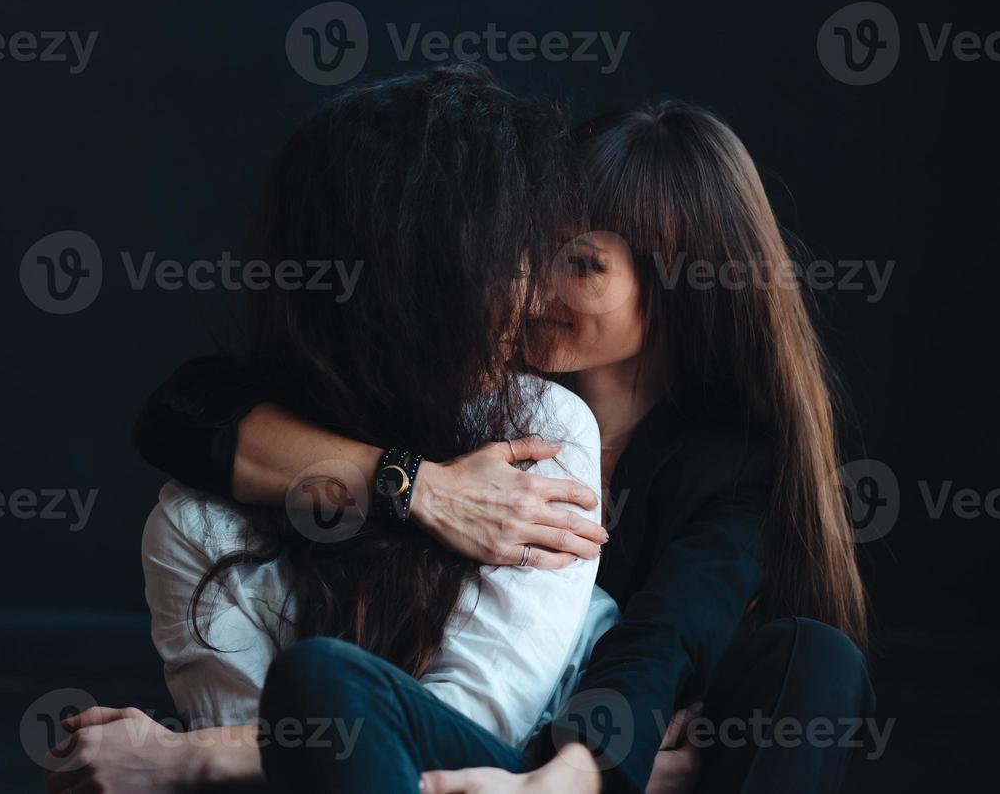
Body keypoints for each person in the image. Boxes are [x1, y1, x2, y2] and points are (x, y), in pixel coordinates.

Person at [116, 102, 876, 793]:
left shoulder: (727, 461)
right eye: (524, 247)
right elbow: (184, 417)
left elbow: (666, 638)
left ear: (683, 289)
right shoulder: (471, 383)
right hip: (440, 754)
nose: (533, 284)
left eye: (580, 264)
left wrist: (583, 774)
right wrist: (419, 486)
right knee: (328, 682)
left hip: (591, 768)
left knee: (816, 659)